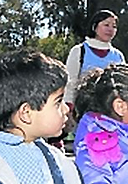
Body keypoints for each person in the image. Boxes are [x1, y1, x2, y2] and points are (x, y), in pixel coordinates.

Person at [0, 50, 82, 183]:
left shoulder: (55, 158)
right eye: (58, 102)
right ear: (26, 113)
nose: (66, 109)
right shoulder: (6, 164)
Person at [63, 9, 125, 104]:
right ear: (94, 27)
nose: (110, 29)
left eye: (114, 26)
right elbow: (70, 83)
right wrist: (69, 106)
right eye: (106, 25)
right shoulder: (79, 51)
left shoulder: (118, 56)